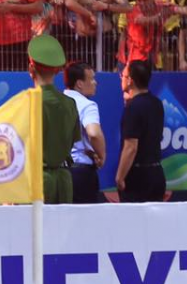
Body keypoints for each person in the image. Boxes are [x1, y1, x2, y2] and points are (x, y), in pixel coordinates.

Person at [27, 35, 78, 204]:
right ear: (57, 70)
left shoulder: (27, 103)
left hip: (36, 181)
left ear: (31, 69)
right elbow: (72, 141)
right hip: (65, 181)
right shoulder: (70, 104)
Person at [116, 57, 165, 202]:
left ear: (130, 80)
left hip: (138, 179)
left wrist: (120, 177)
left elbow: (131, 147)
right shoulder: (156, 103)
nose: (121, 79)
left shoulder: (134, 108)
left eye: (123, 76)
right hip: (156, 174)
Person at [62, 61, 105, 205]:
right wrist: (101, 155)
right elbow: (94, 134)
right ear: (79, 84)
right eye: (92, 79)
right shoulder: (87, 105)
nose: (95, 83)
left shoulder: (57, 102)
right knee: (86, 224)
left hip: (59, 174)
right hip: (81, 174)